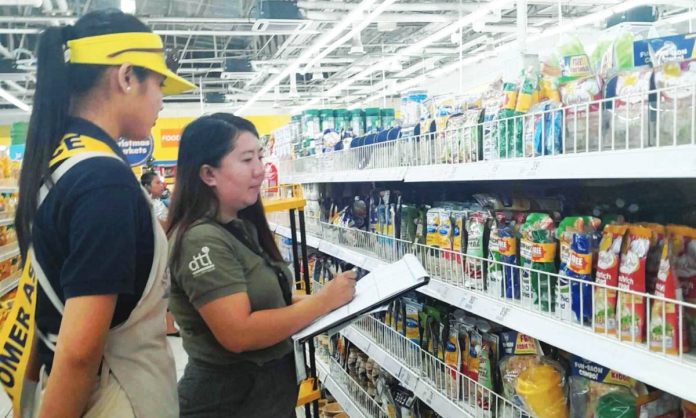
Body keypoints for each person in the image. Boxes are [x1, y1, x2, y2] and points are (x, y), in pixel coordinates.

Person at [14, 9, 195, 418]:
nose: (162, 102)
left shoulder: (58, 163)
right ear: (127, 77)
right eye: (159, 85)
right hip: (118, 397)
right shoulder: (104, 181)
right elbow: (79, 353)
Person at [167, 113, 357, 418]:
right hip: (227, 402)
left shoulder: (239, 227)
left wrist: (340, 303)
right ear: (208, 174)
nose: (260, 170)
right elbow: (239, 333)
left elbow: (268, 299)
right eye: (246, 160)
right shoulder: (201, 240)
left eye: (260, 156)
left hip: (262, 396)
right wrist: (323, 301)